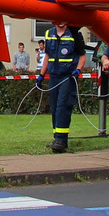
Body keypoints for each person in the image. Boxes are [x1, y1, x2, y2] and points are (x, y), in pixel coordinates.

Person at [38, 22, 87, 153]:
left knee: (63, 106)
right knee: (54, 107)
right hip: (54, 76)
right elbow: (47, 56)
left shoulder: (74, 34)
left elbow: (82, 55)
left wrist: (78, 70)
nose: (60, 21)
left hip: (68, 77)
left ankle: (61, 139)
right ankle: (57, 138)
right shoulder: (49, 33)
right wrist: (41, 75)